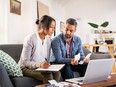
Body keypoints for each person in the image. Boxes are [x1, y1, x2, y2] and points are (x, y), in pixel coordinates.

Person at [18, 15, 61, 84]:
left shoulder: (48, 40)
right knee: (48, 76)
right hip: (26, 68)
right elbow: (25, 62)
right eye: (51, 27)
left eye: (54, 27)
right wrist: (40, 65)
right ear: (43, 26)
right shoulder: (30, 38)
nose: (53, 30)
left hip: (39, 67)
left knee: (57, 73)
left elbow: (46, 59)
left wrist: (47, 65)